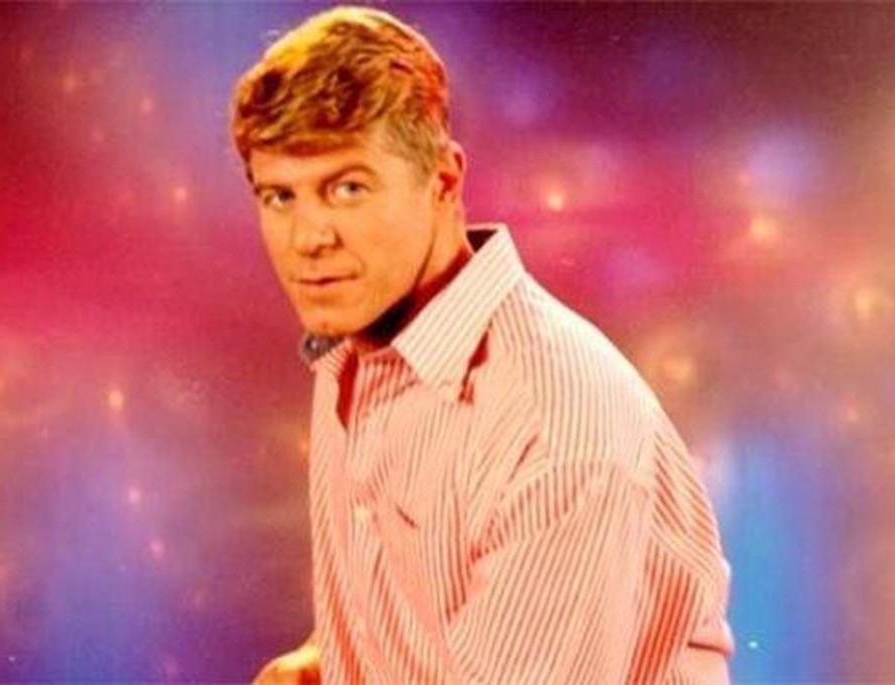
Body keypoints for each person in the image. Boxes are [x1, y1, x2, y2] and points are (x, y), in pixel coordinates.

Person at [230, 6, 734, 683]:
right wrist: (324, 666)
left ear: (443, 181)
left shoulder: (554, 433)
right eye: (279, 197)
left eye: (347, 187)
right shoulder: (356, 353)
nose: (309, 238)